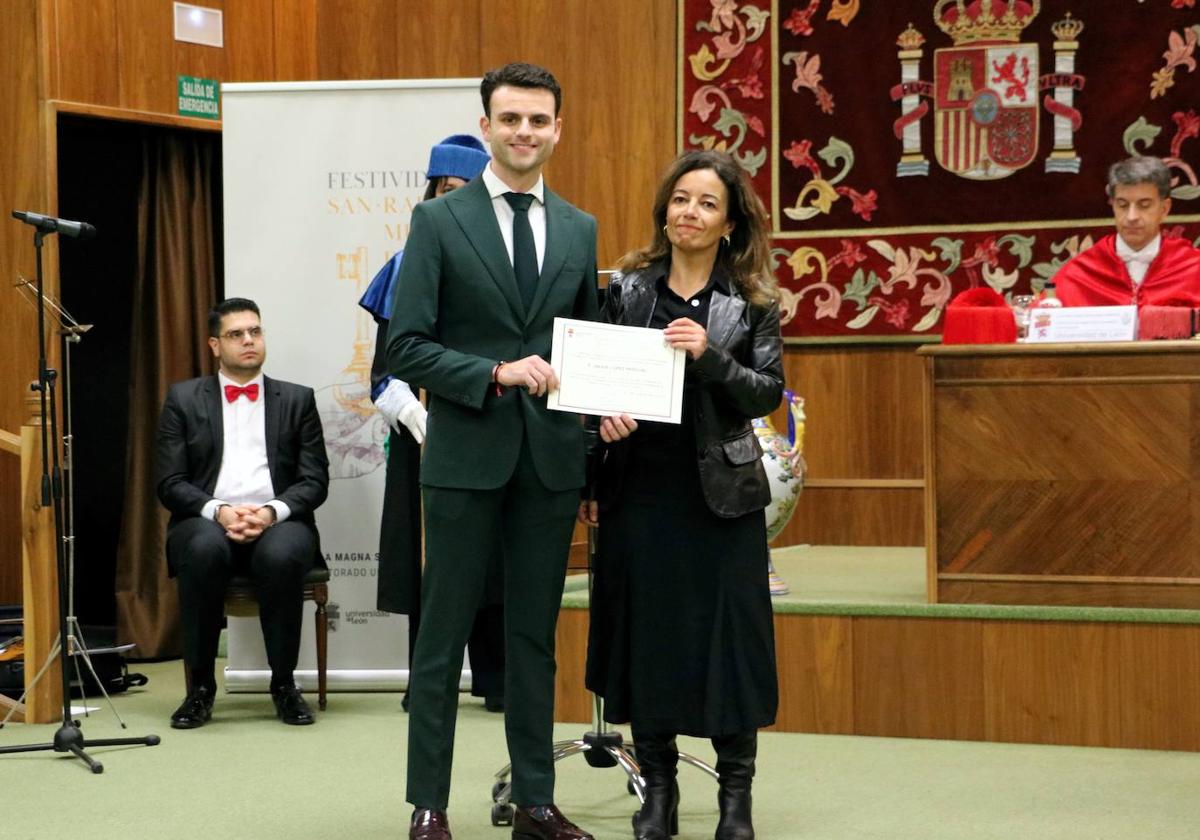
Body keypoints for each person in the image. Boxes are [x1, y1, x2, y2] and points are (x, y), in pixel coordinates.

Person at [387, 63, 599, 840]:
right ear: (486, 127)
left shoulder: (581, 228)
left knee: (533, 641)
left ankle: (536, 803)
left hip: (548, 464)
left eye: (538, 120)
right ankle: (429, 805)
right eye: (510, 119)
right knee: (442, 639)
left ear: (557, 129)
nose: (524, 133)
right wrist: (493, 373)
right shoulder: (438, 223)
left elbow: (584, 350)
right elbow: (405, 345)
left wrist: (607, 407)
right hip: (465, 458)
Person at [581, 149, 783, 840]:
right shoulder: (625, 291)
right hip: (639, 491)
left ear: (729, 224)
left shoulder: (751, 302)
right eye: (680, 199)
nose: (689, 212)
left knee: (729, 645)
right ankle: (658, 793)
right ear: (664, 210)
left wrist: (710, 355)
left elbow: (766, 392)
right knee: (650, 645)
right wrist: (599, 421)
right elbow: (591, 384)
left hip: (720, 498)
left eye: (705, 203)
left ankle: (735, 801)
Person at [359, 135, 505, 715]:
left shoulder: (507, 268)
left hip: (491, 428)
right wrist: (418, 414)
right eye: (446, 191)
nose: (455, 201)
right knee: (431, 564)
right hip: (426, 440)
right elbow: (382, 373)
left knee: (493, 558)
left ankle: (497, 679)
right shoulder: (405, 266)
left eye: (467, 191)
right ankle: (428, 681)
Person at [156, 297, 329, 729]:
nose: (249, 340)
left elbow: (314, 481)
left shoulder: (297, 399)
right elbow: (170, 482)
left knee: (283, 554)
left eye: (255, 331)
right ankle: (199, 690)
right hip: (207, 520)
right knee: (201, 549)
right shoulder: (182, 399)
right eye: (236, 334)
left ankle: (285, 687)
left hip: (280, 521)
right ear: (215, 345)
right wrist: (220, 512)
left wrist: (270, 513)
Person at [1055, 156, 1200, 307]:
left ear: (1164, 209)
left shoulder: (1194, 267)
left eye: (1144, 205)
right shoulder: (1079, 272)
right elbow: (1041, 322)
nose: (1132, 217)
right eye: (1122, 205)